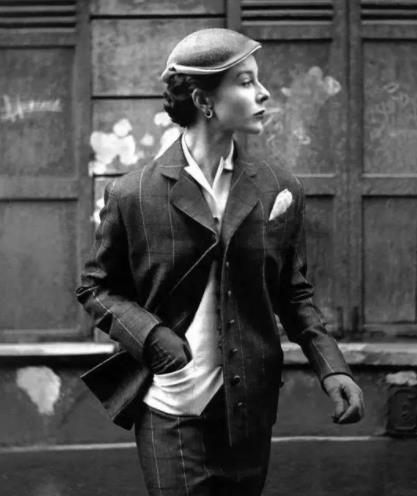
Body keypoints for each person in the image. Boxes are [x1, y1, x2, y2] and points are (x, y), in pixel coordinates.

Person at [76, 28, 364, 496]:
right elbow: (95, 287)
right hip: (168, 411)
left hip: (248, 412)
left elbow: (293, 293)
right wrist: (151, 335)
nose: (263, 92)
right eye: (246, 82)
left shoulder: (278, 187)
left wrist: (331, 367)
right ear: (203, 101)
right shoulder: (133, 194)